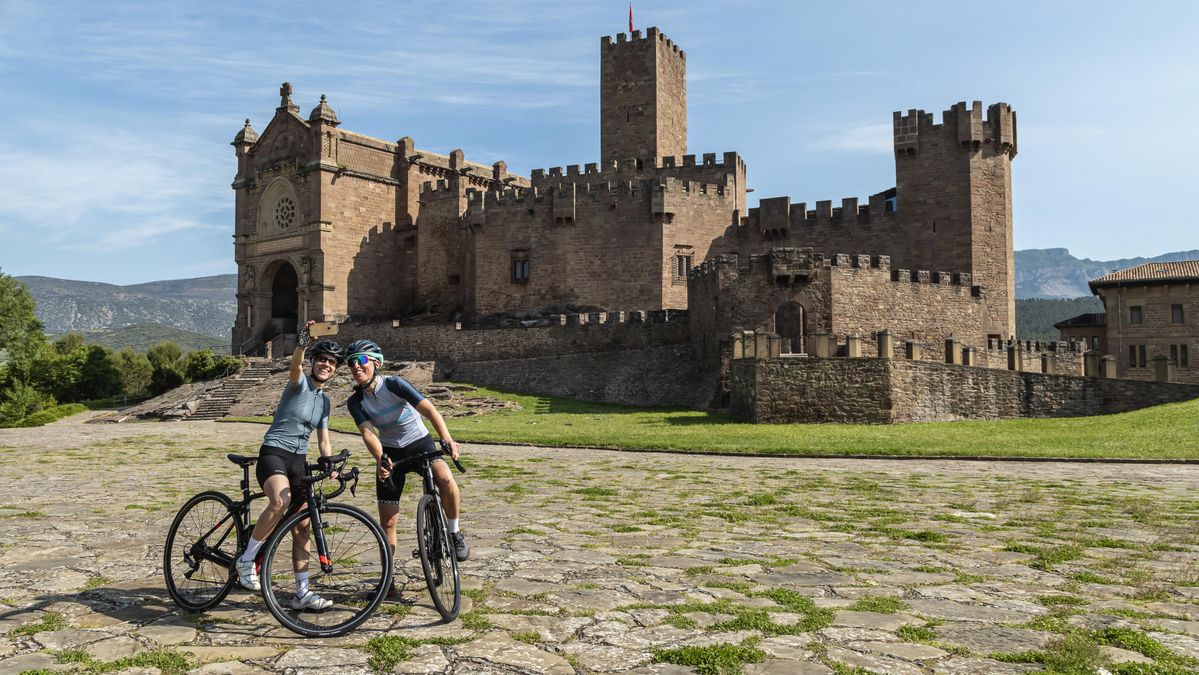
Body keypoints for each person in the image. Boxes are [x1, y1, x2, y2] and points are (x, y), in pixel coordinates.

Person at [343, 339, 469, 595]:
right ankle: (387, 582)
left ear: (375, 363)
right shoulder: (355, 401)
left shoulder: (395, 384)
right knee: (388, 520)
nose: (356, 366)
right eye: (351, 363)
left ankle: (454, 533)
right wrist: (381, 459)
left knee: (445, 479)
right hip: (390, 451)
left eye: (361, 360)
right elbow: (368, 433)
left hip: (419, 442)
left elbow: (430, 409)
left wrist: (446, 439)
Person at [234, 321, 343, 612]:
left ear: (335, 370)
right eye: (322, 360)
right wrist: (303, 343)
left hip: (298, 461)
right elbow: (295, 365)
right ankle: (247, 560)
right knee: (279, 500)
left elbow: (324, 440)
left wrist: (330, 463)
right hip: (274, 453)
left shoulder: (325, 402)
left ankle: (302, 592)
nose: (326, 365)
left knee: (303, 527)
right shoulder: (299, 383)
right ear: (314, 362)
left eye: (331, 363)